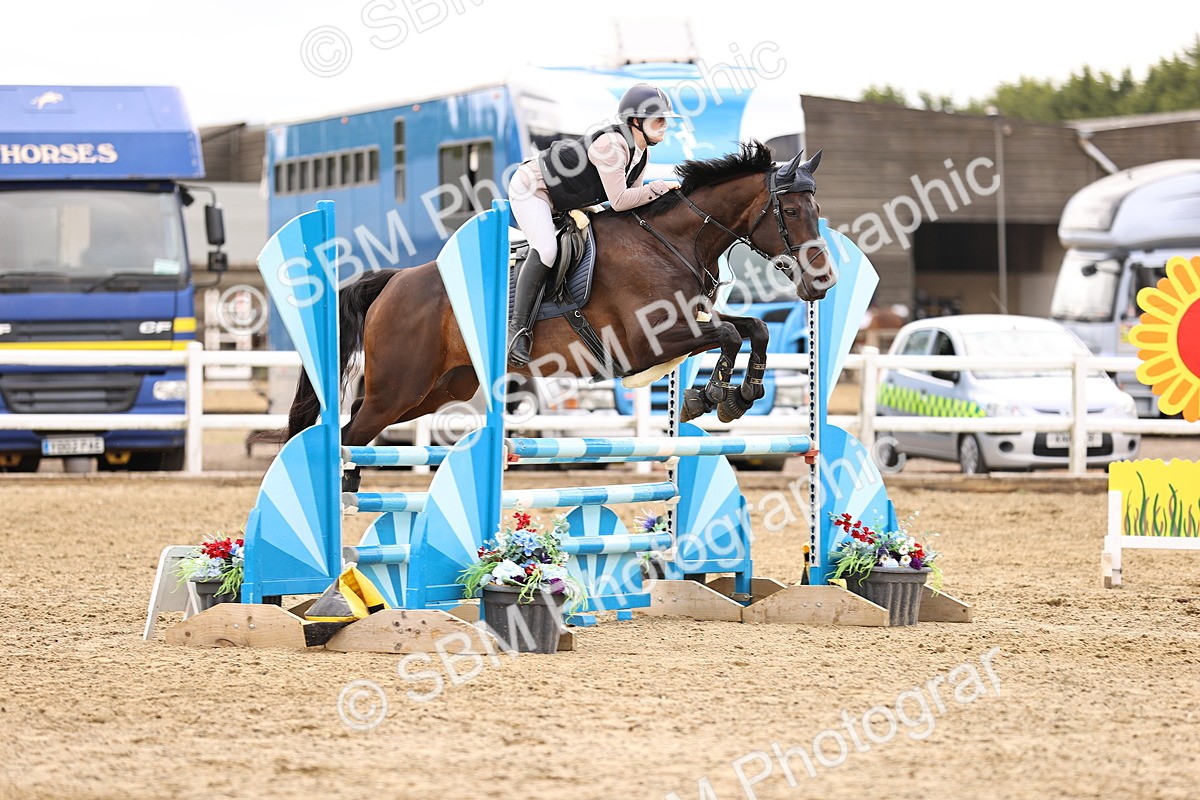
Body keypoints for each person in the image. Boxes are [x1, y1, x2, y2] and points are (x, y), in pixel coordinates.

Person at [505, 82, 682, 368]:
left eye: (666, 120)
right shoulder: (611, 144)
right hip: (533, 189)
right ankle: (518, 331)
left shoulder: (641, 152)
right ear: (636, 121)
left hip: (567, 198)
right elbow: (622, 200)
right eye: (658, 119)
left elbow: (631, 205)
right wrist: (661, 187)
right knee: (547, 249)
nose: (665, 125)